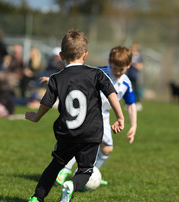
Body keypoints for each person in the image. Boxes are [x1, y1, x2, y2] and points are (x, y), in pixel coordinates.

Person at [25, 29, 124, 202]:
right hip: (91, 133)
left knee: (55, 165)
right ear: (86, 55)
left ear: (61, 55)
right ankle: (71, 185)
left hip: (67, 132)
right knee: (85, 170)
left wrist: (36, 117)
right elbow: (111, 92)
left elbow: (47, 102)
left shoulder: (56, 78)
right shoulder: (96, 74)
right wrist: (120, 116)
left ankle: (36, 198)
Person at [55, 46, 137, 186]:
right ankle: (65, 169)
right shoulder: (98, 73)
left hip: (103, 116)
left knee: (107, 149)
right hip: (88, 112)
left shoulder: (126, 83)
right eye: (115, 68)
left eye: (121, 69)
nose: (117, 72)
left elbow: (130, 105)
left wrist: (134, 125)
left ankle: (92, 174)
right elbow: (76, 76)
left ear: (128, 66)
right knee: (81, 142)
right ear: (110, 62)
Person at [127, 43, 143, 111]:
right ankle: (128, 103)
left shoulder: (139, 56)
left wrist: (133, 63)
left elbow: (140, 66)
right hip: (128, 75)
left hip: (135, 75)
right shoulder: (129, 55)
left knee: (136, 90)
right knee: (128, 89)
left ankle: (138, 103)